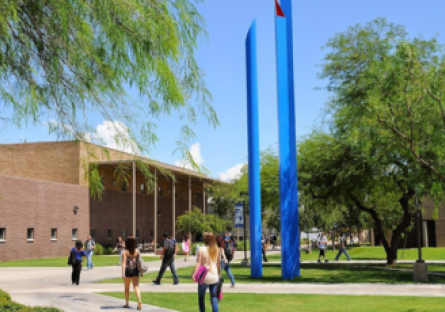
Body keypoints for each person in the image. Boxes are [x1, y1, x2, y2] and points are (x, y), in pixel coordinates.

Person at [193, 232, 221, 312]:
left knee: (201, 298)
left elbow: (198, 263)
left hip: (204, 276)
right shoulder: (217, 249)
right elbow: (218, 264)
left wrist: (194, 274)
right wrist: (219, 275)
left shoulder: (201, 249)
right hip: (214, 276)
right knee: (214, 299)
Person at [122, 236, 142, 310]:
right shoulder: (137, 251)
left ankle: (127, 303)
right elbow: (139, 262)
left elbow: (124, 263)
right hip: (135, 270)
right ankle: (139, 300)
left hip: (128, 270)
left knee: (127, 288)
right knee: (136, 286)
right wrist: (141, 271)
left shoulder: (125, 252)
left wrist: (123, 273)